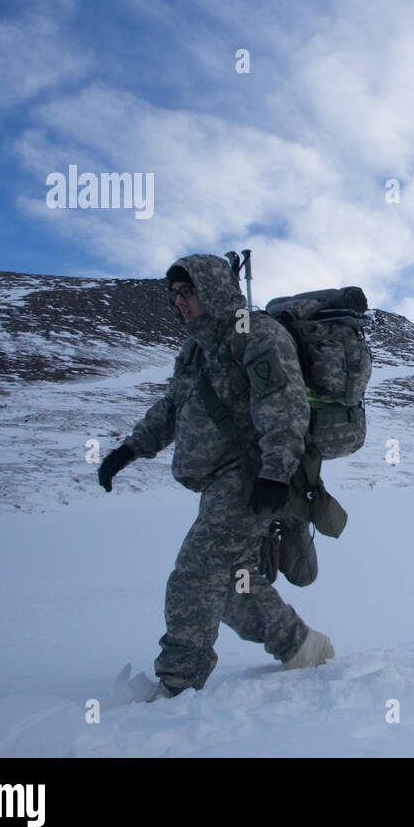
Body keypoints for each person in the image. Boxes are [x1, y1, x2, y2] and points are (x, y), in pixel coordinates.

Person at [97, 253, 333, 699]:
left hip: (248, 478)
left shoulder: (258, 334)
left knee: (196, 572)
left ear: (214, 289)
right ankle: (304, 648)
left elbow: (284, 405)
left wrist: (275, 474)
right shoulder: (196, 350)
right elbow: (172, 408)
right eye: (175, 295)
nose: (181, 302)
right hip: (215, 484)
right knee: (230, 582)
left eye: (189, 292)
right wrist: (130, 450)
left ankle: (179, 683)